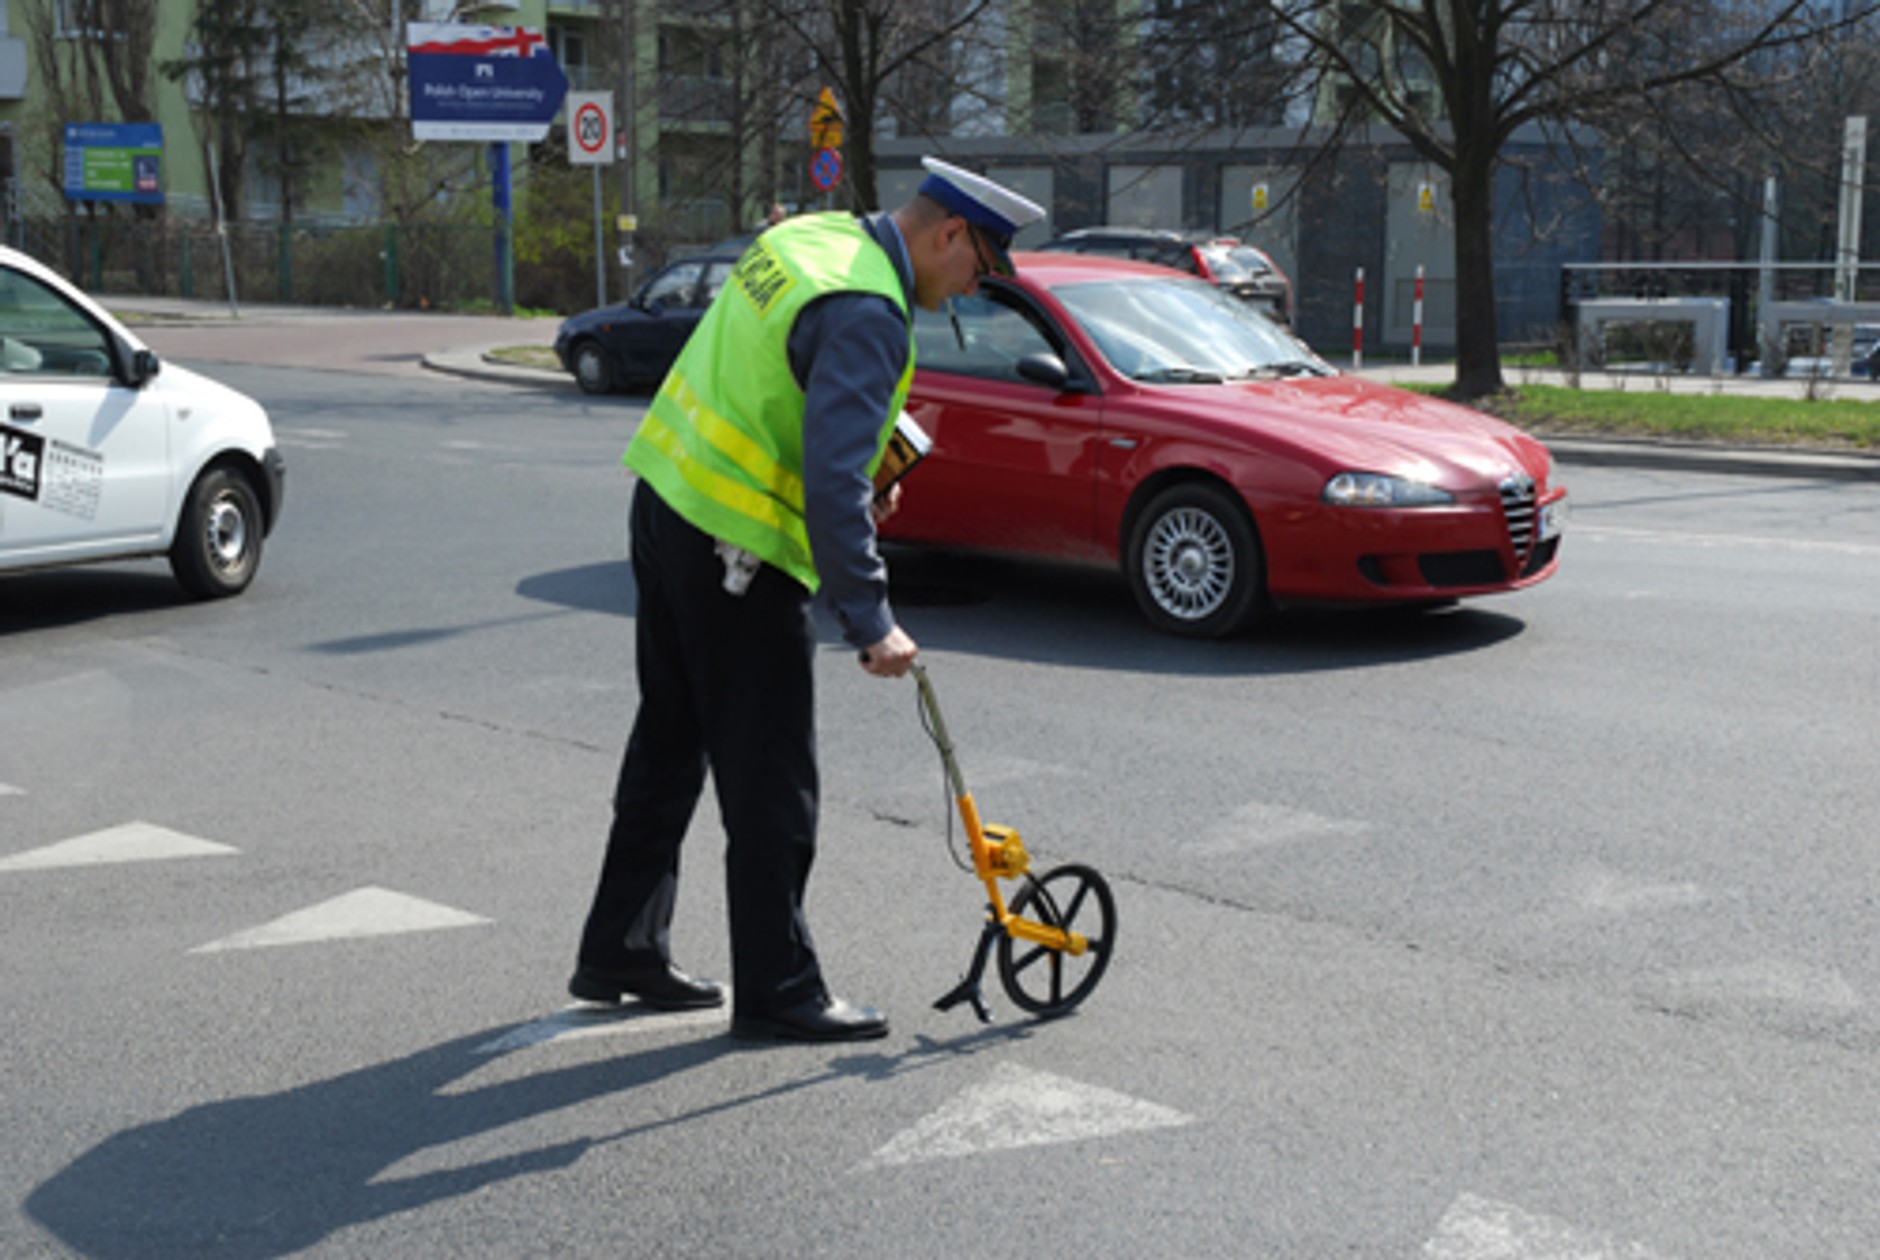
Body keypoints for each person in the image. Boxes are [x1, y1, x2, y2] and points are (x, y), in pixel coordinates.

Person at [570, 158, 1046, 1043]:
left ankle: (620, 947)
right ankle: (779, 988)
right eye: (978, 267)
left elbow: (769, 381)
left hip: (668, 502)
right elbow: (830, 480)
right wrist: (872, 621)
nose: (973, 289)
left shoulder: (812, 238)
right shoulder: (871, 311)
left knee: (670, 743)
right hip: (737, 548)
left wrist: (860, 479)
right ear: (948, 234)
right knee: (774, 779)